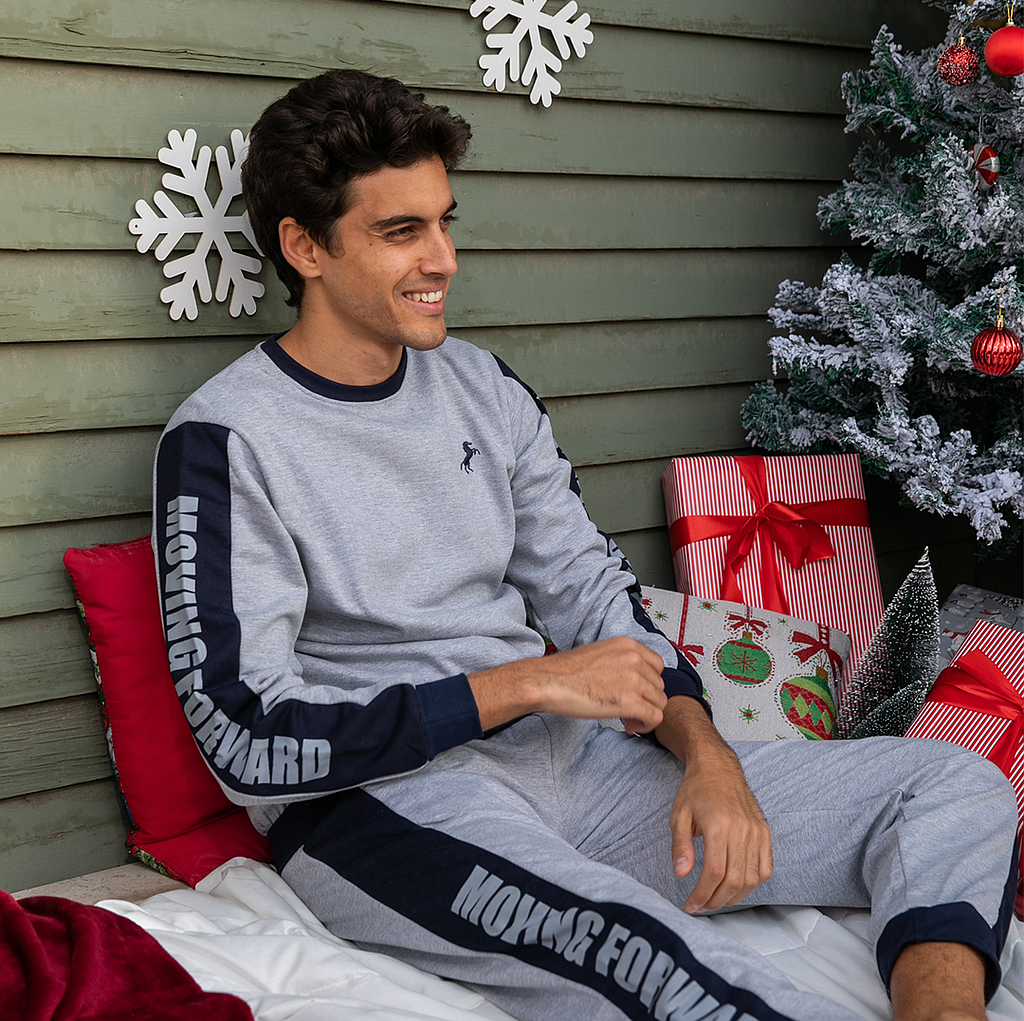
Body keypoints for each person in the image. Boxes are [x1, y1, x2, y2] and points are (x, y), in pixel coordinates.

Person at [153, 69, 1018, 1021]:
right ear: (304, 247)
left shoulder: (482, 388)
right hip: (392, 806)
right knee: (661, 966)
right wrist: (528, 683)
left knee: (950, 785)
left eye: (445, 222)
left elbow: (592, 589)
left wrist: (706, 753)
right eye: (401, 232)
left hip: (580, 772)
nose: (443, 259)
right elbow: (245, 738)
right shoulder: (227, 439)